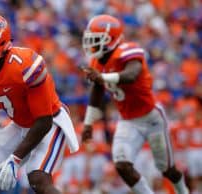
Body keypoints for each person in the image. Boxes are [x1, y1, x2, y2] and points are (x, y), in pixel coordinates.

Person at [0, 12, 79, 194]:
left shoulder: (25, 66)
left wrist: (15, 158)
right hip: (20, 124)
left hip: (50, 123)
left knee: (38, 179)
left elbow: (43, 120)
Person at [80, 14, 189, 194]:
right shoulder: (97, 62)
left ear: (112, 39)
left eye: (96, 40)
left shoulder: (128, 51)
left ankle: (183, 191)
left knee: (167, 169)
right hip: (128, 120)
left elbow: (131, 75)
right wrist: (88, 123)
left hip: (151, 118)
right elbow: (97, 92)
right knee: (122, 165)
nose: (91, 45)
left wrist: (102, 77)